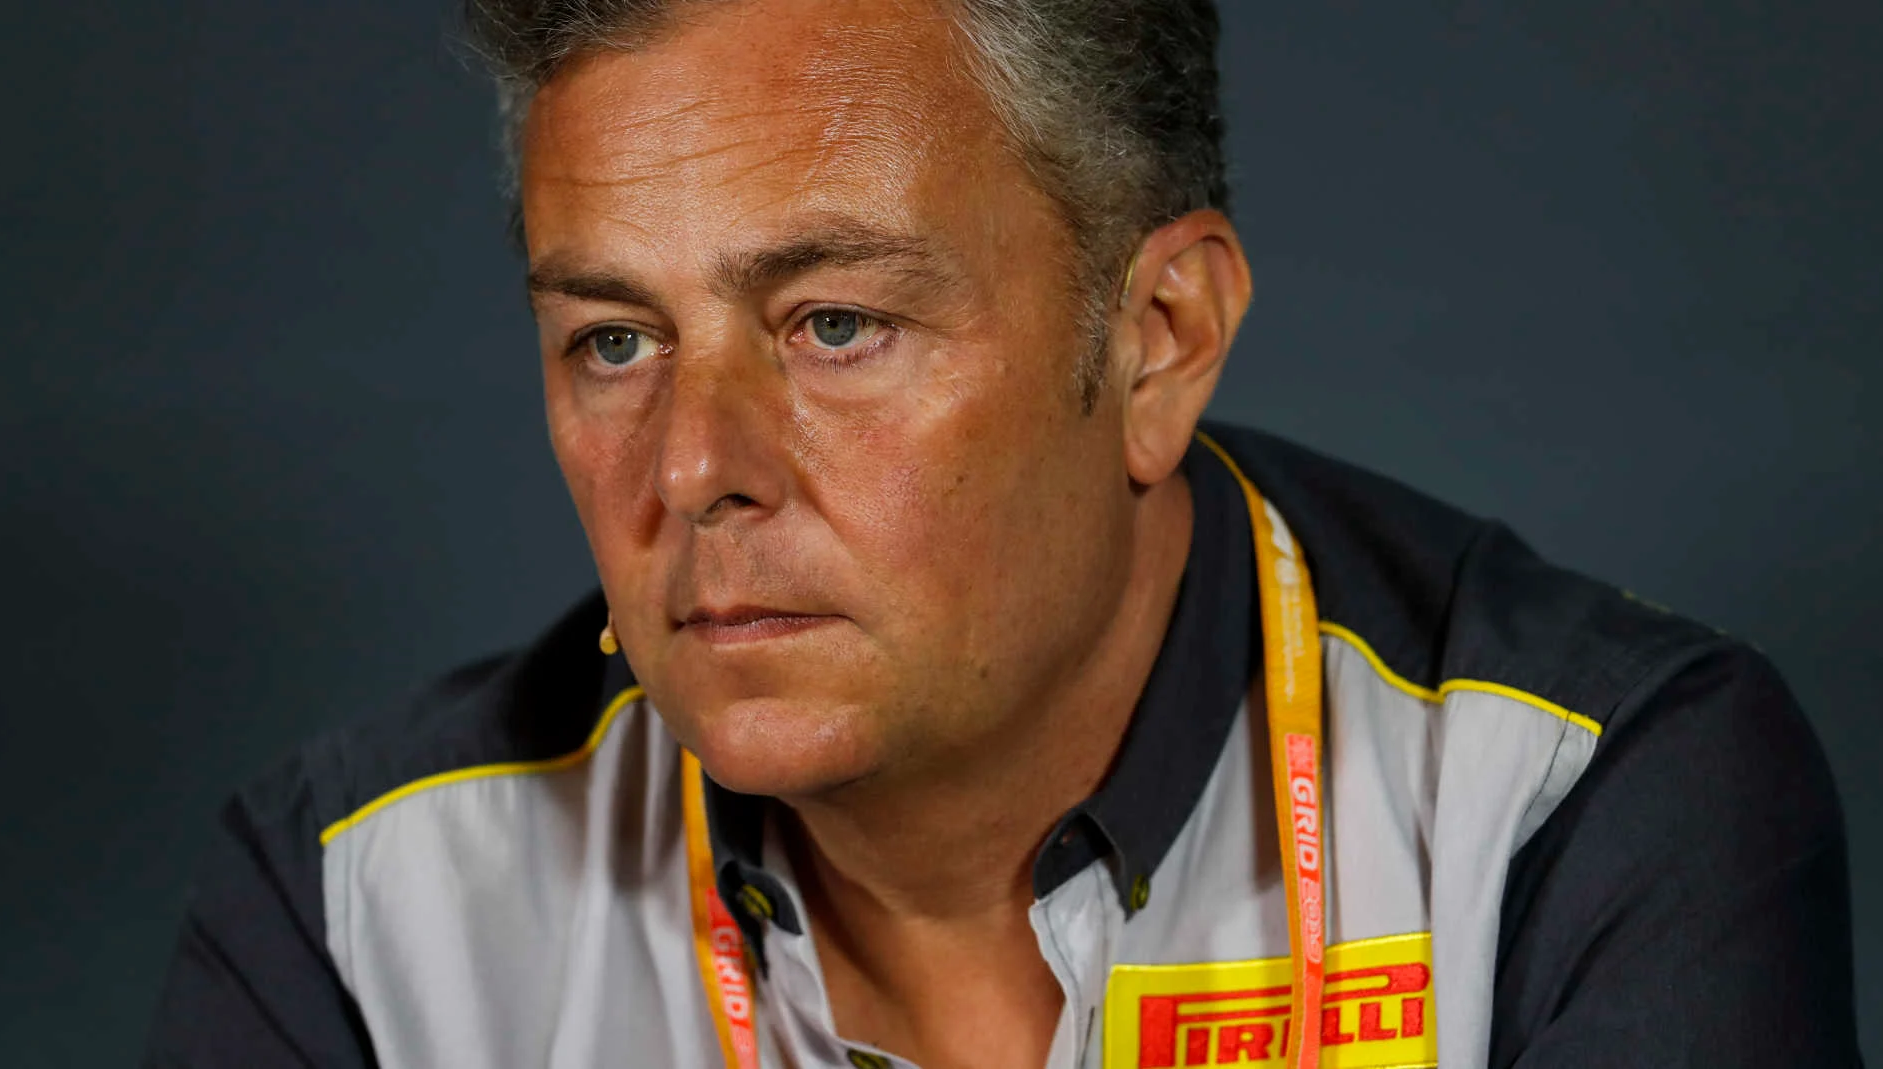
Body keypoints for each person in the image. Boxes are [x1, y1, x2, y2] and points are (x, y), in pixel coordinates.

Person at [144, 0, 1863, 1066]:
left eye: (834, 323)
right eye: (612, 341)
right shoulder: (356, 907)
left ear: (1159, 340)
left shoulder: (1583, 803)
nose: (694, 470)